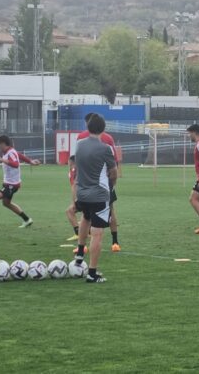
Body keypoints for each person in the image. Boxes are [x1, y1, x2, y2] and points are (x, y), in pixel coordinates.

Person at [74, 114, 117, 283]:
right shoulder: (106, 148)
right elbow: (113, 172)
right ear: (103, 129)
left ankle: (79, 254)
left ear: (88, 127)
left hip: (82, 193)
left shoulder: (78, 145)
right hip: (99, 195)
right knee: (97, 234)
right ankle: (92, 273)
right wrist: (112, 184)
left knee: (85, 218)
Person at [0, 135, 39, 227]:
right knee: (6, 203)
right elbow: (19, 155)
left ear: (3, 143)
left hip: (11, 185)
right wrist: (31, 161)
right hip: (10, 184)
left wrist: (1, 159)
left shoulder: (10, 153)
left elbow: (16, 164)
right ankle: (27, 219)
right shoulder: (10, 152)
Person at [65, 155, 82, 241]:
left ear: (71, 162)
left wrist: (74, 201)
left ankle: (78, 233)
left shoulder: (73, 171)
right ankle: (88, 232)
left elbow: (74, 186)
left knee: (69, 211)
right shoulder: (81, 169)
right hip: (89, 195)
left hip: (81, 196)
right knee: (87, 215)